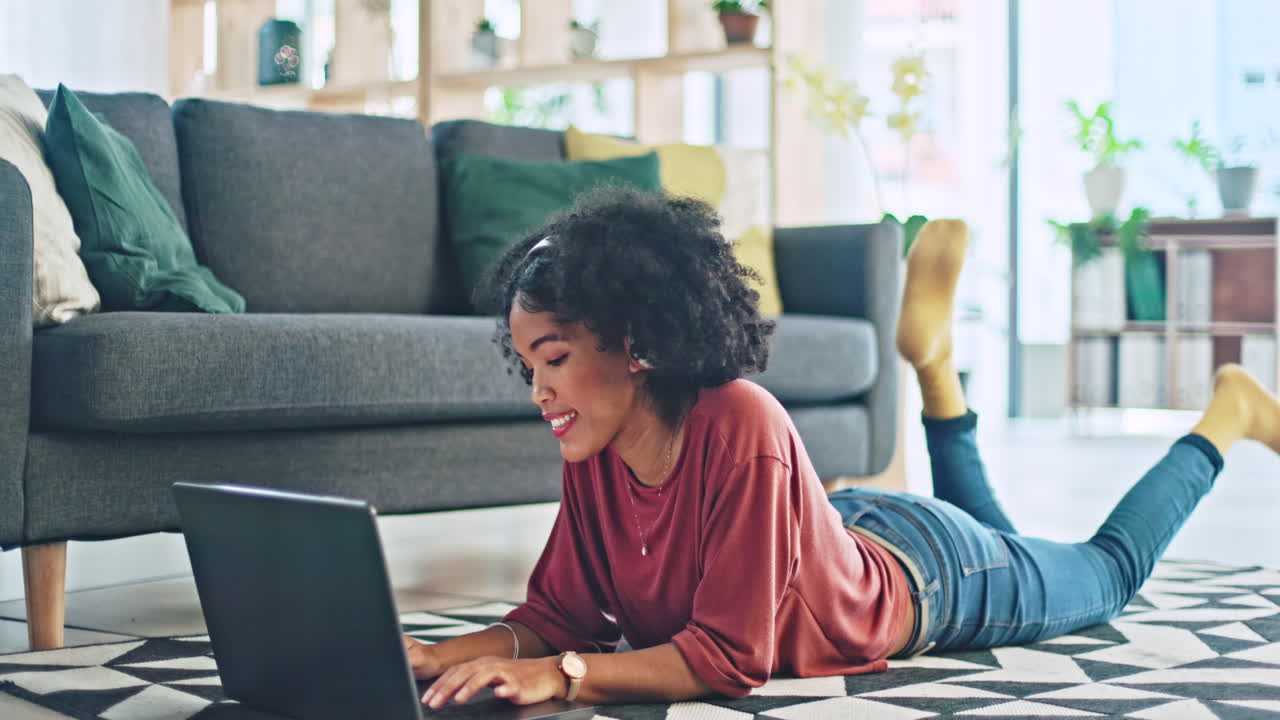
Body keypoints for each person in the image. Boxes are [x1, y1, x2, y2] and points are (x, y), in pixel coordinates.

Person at [405, 186, 1280, 710]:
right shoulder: (591, 452)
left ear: (636, 341)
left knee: (1106, 572)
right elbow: (554, 619)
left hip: (930, 575)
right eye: (527, 368)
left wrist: (565, 679)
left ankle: (1226, 417)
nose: (538, 393)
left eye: (553, 361)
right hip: (830, 530)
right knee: (1013, 536)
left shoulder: (740, 423)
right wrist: (438, 656)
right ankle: (936, 372)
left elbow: (726, 658)